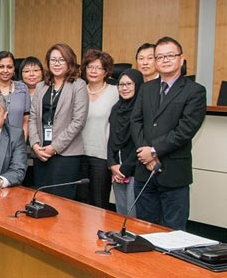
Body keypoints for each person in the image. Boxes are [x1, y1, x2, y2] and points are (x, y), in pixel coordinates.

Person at [131, 36, 206, 230]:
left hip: (173, 172)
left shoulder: (195, 91)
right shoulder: (146, 89)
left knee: (173, 232)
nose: (165, 60)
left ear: (181, 59)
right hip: (144, 171)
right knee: (144, 229)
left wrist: (154, 151)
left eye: (170, 55)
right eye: (160, 56)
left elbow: (185, 130)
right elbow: (136, 121)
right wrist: (145, 154)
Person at [28, 43, 88, 200]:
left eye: (61, 60)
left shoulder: (78, 85)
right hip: (41, 153)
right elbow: (33, 117)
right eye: (53, 60)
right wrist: (34, 145)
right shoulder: (41, 86)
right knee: (41, 199)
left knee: (62, 202)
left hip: (66, 155)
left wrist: (54, 147)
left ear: (69, 62)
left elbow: (78, 121)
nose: (56, 63)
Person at [78, 49, 119, 209]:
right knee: (80, 204)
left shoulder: (115, 92)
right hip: (78, 154)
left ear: (106, 71)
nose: (93, 71)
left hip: (102, 156)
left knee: (99, 203)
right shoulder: (78, 90)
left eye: (98, 67)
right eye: (89, 67)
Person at [107, 69, 144, 216]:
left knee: (133, 214)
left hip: (135, 169)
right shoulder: (116, 109)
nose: (124, 88)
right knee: (121, 213)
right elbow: (111, 138)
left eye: (129, 84)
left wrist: (124, 169)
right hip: (117, 170)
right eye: (121, 84)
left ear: (138, 85)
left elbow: (141, 142)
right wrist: (112, 164)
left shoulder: (142, 110)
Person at [19, 56, 44, 187]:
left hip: (40, 143)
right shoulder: (16, 91)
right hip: (21, 142)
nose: (31, 74)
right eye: (27, 71)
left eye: (35, 70)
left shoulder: (48, 90)